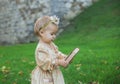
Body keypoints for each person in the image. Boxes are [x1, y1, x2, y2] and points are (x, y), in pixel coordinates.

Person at [31, 15, 68, 84]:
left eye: (55, 34)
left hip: (54, 73)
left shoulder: (51, 44)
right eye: (52, 34)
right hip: (45, 76)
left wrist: (64, 57)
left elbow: (57, 53)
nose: (54, 36)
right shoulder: (40, 49)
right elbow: (45, 63)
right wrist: (59, 62)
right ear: (41, 32)